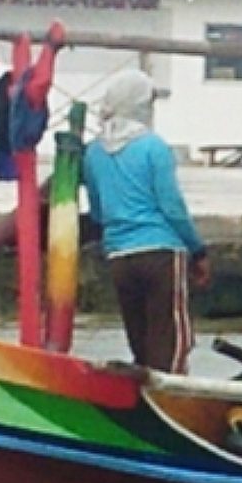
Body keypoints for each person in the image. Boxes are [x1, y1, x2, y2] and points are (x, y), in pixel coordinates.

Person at [79, 70, 209, 372]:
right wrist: (198, 251)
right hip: (162, 252)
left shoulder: (93, 154)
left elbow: (98, 212)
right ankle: (175, 397)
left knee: (141, 339)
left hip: (119, 257)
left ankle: (144, 399)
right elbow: (172, 207)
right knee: (172, 338)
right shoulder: (154, 147)